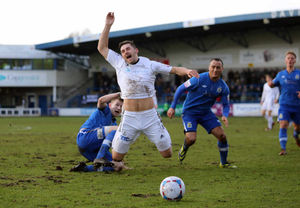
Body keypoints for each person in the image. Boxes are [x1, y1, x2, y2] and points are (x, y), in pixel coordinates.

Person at [97, 12, 199, 166]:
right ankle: (119, 162)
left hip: (150, 116)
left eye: (128, 49)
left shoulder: (150, 64)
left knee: (167, 154)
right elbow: (102, 48)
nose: (125, 52)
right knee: (116, 157)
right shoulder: (119, 63)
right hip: (129, 117)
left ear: (135, 50)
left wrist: (187, 71)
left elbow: (174, 69)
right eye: (123, 51)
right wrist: (108, 25)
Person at [167, 58, 236, 168]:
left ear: (222, 69)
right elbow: (180, 89)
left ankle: (223, 163)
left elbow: (226, 104)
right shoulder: (198, 79)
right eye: (213, 66)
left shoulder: (223, 87)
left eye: (218, 67)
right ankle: (185, 147)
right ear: (209, 68)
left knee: (222, 136)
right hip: (190, 113)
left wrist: (225, 115)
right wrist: (172, 107)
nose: (215, 69)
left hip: (206, 114)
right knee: (191, 139)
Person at [70, 92, 126, 172]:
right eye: (117, 105)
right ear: (110, 105)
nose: (119, 108)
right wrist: (118, 94)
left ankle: (84, 168)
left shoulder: (113, 123)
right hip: (85, 137)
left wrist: (119, 161)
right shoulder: (105, 110)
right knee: (118, 129)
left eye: (121, 107)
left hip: (90, 149)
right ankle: (99, 158)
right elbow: (101, 100)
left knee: (116, 166)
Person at [268, 51, 300, 155]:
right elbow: (273, 84)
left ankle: (296, 134)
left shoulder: (299, 74)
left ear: (295, 61)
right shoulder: (280, 74)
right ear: (285, 60)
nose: (290, 60)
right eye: (288, 58)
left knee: (298, 127)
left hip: (297, 105)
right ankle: (283, 149)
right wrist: (270, 84)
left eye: (292, 58)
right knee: (283, 124)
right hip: (284, 104)